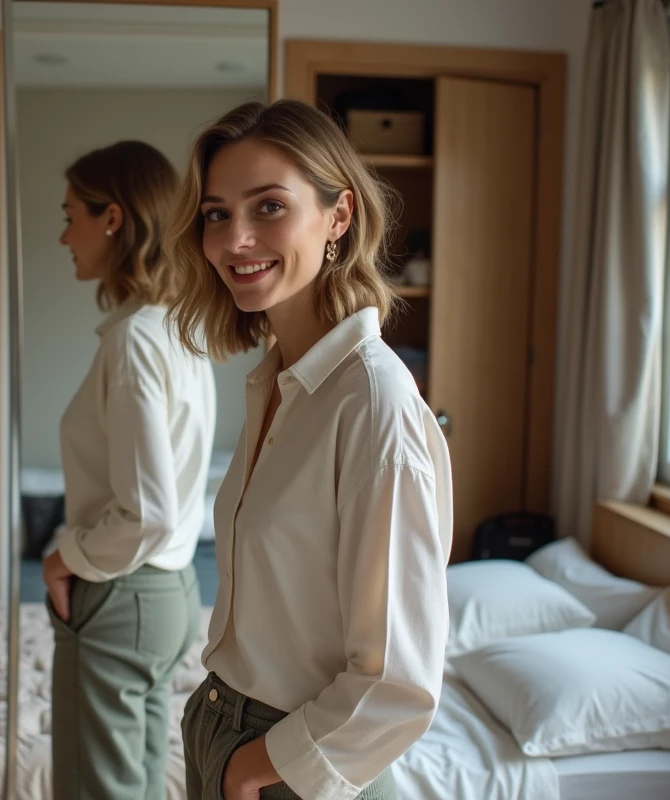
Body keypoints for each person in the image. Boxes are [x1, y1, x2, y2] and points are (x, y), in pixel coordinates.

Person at [169, 100, 453, 800]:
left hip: (294, 760)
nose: (236, 239)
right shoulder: (276, 382)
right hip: (225, 727)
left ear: (339, 216)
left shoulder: (372, 401)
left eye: (269, 207)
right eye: (215, 214)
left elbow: (398, 679)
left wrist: (253, 767)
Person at [43, 140, 217, 799]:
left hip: (123, 592)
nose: (64, 235)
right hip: (167, 592)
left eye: (71, 215)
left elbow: (149, 512)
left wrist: (66, 556)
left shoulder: (137, 339)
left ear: (112, 218)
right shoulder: (177, 328)